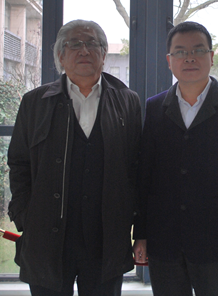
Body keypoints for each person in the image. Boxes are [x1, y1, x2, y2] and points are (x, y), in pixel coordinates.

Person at [7, 19, 142, 296]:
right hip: (47, 237)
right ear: (60, 55)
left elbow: (137, 168)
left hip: (105, 237)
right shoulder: (35, 102)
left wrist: (131, 221)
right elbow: (19, 163)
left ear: (104, 54)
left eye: (92, 44)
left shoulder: (127, 101)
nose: (84, 50)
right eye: (74, 44)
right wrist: (25, 216)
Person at [133, 21, 218, 296]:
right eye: (180, 52)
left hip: (217, 244)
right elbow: (145, 178)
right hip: (164, 242)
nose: (189, 58)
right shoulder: (155, 107)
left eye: (198, 50)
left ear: (212, 57)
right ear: (169, 60)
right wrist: (141, 234)